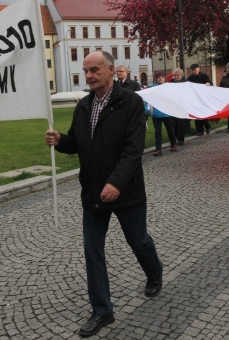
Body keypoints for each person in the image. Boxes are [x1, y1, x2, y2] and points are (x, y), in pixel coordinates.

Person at [44, 51, 163, 337]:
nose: (89, 76)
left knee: (139, 240)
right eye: (86, 71)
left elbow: (134, 148)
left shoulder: (132, 102)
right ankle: (102, 310)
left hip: (126, 191)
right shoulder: (83, 106)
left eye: (95, 70)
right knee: (92, 249)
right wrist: (61, 140)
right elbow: (78, 143)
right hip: (93, 192)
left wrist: (117, 182)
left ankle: (154, 271)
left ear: (111, 70)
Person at [149, 73, 178, 156]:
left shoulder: (169, 87)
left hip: (167, 113)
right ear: (156, 79)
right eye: (159, 77)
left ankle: (173, 144)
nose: (160, 79)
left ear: (164, 78)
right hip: (156, 114)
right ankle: (158, 149)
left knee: (170, 130)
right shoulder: (152, 88)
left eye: (162, 77)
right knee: (158, 132)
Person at [187, 63, 212, 135]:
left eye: (195, 70)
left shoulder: (204, 76)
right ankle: (200, 131)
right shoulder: (190, 78)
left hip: (202, 98)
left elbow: (210, 83)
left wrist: (208, 83)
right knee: (196, 115)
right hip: (195, 98)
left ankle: (207, 126)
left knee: (202, 114)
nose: (194, 72)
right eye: (192, 70)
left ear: (198, 69)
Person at [171, 68, 190, 145]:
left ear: (181, 75)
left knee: (181, 123)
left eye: (177, 75)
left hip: (182, 104)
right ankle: (175, 137)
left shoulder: (186, 82)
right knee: (174, 122)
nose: (176, 76)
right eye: (175, 75)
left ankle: (181, 139)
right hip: (174, 105)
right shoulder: (171, 83)